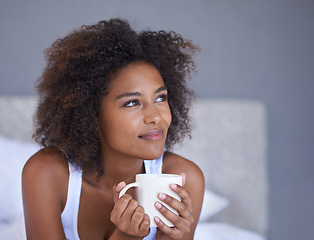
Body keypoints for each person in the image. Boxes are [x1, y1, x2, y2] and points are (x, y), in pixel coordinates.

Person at [22, 18, 204, 240]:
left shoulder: (183, 179)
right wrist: (125, 237)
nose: (156, 116)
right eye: (132, 102)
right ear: (91, 113)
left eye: (160, 98)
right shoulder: (48, 173)